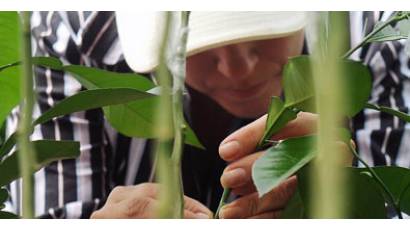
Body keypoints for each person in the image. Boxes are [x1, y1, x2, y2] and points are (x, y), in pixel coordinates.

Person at [4, 11, 410, 219]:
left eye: (260, 33)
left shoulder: (377, 34)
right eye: (202, 44)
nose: (237, 69)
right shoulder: (68, 39)